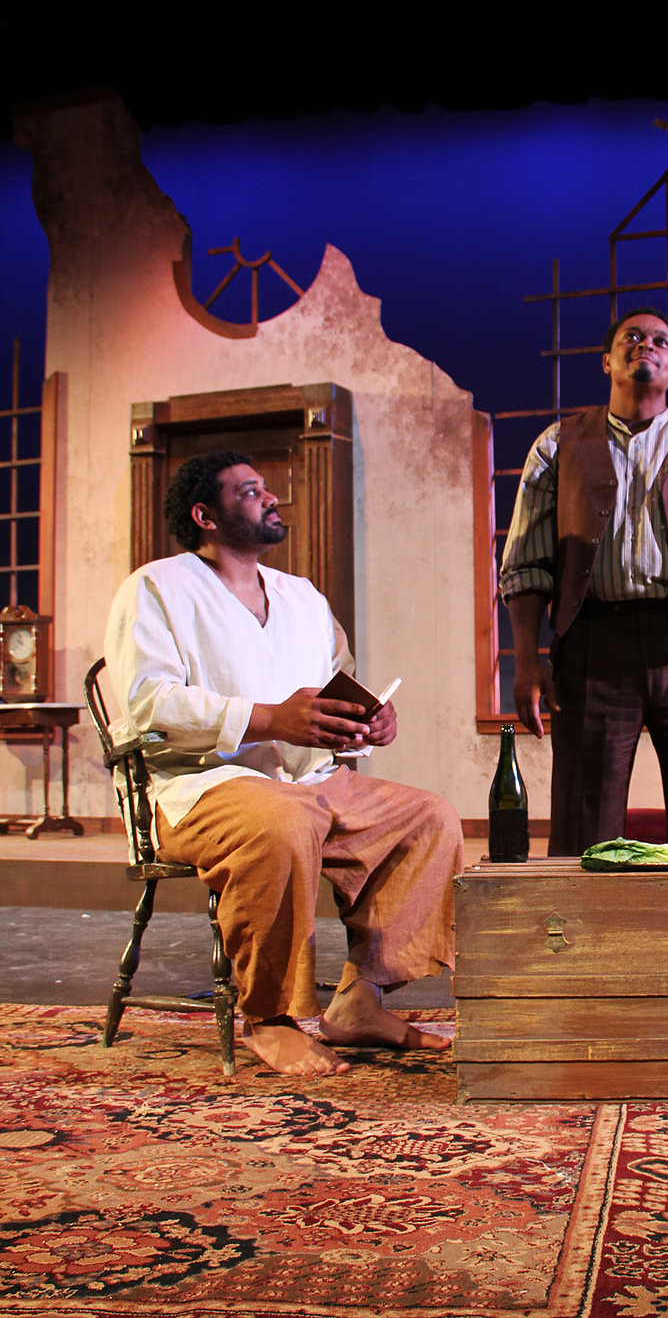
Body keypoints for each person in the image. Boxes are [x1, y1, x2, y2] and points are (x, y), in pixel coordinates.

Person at [104, 450, 460, 1076]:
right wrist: (267, 719)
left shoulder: (302, 596)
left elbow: (335, 690)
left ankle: (360, 1000)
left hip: (309, 779)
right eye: (249, 491)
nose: (271, 498)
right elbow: (146, 703)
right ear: (204, 515)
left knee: (429, 818)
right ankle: (268, 1018)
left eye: (267, 488)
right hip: (204, 784)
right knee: (283, 821)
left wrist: (365, 724)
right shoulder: (157, 587)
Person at [499, 307, 668, 856]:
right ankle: (589, 916)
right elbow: (525, 564)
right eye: (632, 337)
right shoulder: (557, 445)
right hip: (594, 646)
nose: (646, 345)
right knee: (584, 825)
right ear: (607, 361)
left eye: (661, 341)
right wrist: (526, 661)